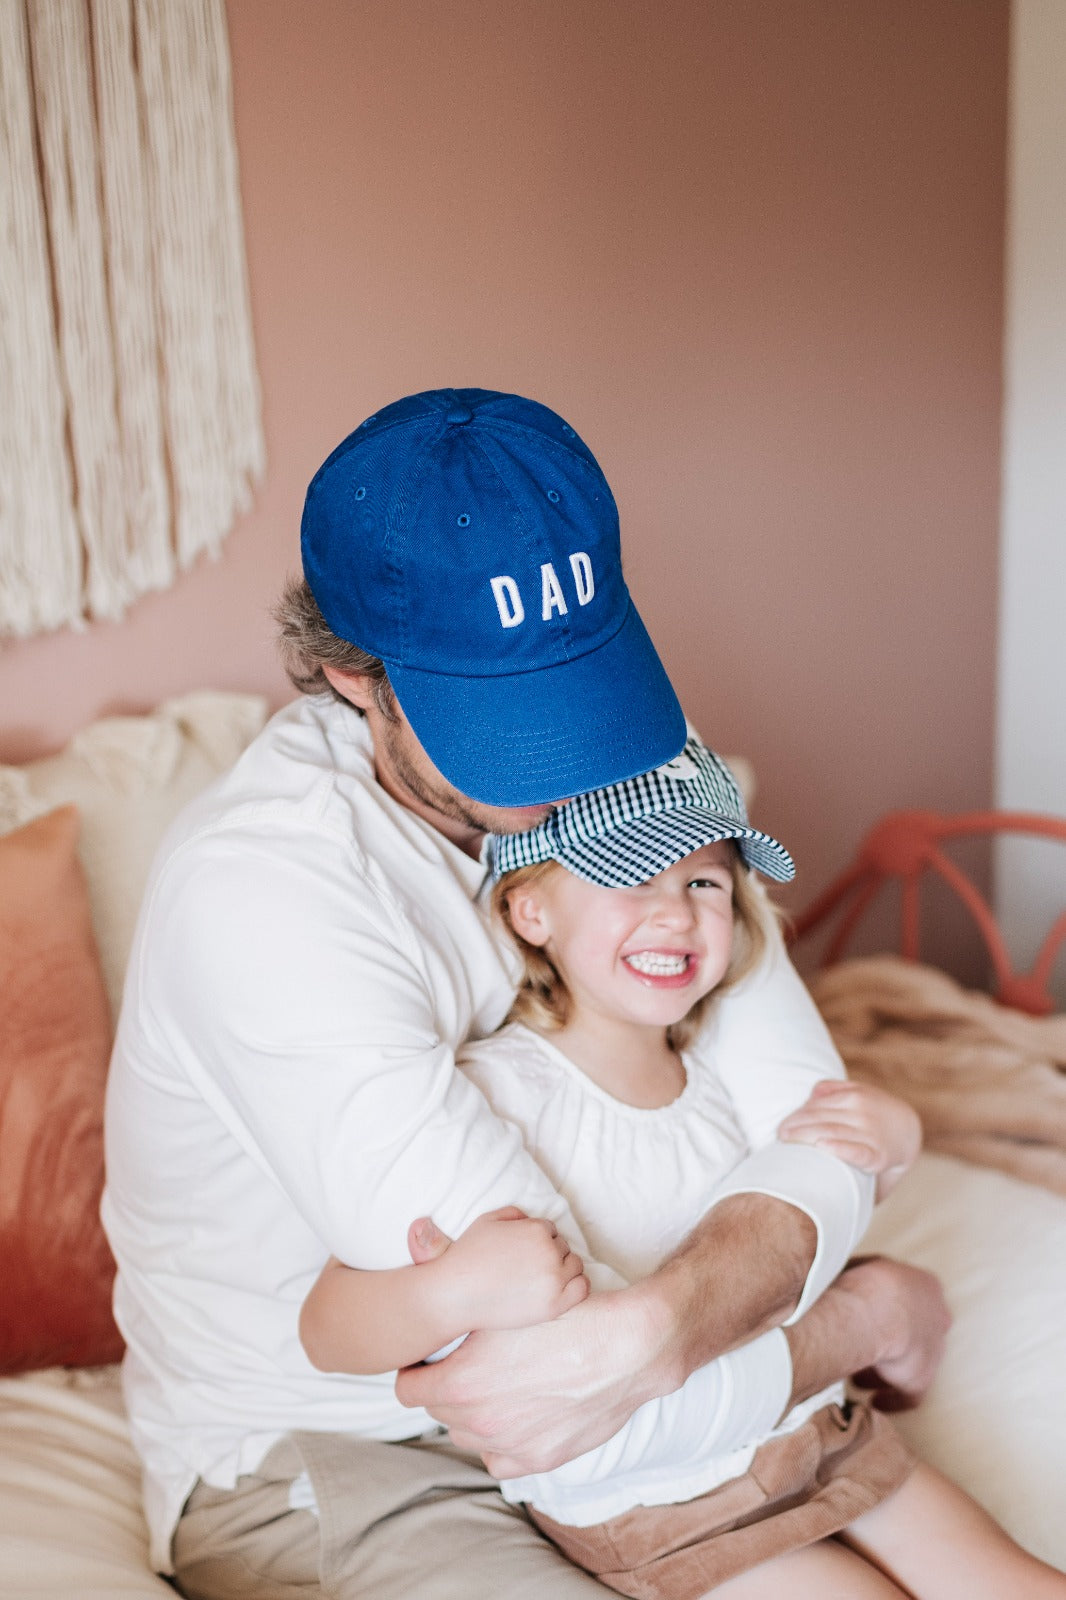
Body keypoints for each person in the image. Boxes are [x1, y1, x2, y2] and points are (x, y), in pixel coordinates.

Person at [102, 388, 949, 1600]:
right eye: (504, 722)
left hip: (640, 1409)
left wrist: (662, 1331)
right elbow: (562, 1359)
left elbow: (813, 1124)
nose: (570, 767)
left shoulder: (625, 742)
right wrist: (869, 1318)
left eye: (576, 688)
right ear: (350, 677)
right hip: (343, 1443)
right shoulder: (266, 895)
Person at [298, 734, 1066, 1598]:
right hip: (661, 1510)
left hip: (821, 1429)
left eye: (704, 881)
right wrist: (445, 1292)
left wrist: (898, 1143)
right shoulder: (498, 1090)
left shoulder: (723, 1080)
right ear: (531, 912)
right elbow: (325, 1324)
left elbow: (821, 1220)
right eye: (632, 875)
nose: (676, 912)